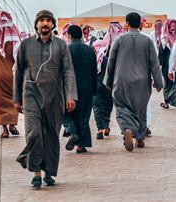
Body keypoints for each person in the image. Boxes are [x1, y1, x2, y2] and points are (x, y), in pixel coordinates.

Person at [13, 10, 77, 189]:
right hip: (31, 94)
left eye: (48, 21)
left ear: (53, 25)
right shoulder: (25, 45)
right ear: (36, 25)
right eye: (42, 21)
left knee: (51, 135)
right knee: (34, 133)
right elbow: (18, 72)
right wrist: (17, 98)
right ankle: (36, 172)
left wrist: (70, 95)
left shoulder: (60, 45)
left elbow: (68, 71)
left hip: (54, 96)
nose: (45, 24)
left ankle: (48, 171)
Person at [104, 12, 163, 151]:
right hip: (142, 81)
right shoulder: (147, 40)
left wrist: (108, 81)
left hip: (122, 80)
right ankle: (140, 139)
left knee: (122, 107)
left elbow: (111, 62)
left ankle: (127, 129)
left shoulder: (119, 40)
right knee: (141, 110)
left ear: (127, 24)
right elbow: (154, 63)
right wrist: (159, 83)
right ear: (140, 24)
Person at [65, 25, 97, 153]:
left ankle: (72, 131)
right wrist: (94, 89)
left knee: (67, 114)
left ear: (69, 36)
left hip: (69, 90)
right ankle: (81, 145)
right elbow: (94, 71)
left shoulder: (66, 50)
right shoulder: (90, 50)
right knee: (83, 117)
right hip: (87, 88)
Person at [92, 21, 124, 139]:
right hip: (111, 83)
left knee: (97, 105)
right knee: (108, 104)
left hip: (98, 81)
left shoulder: (99, 46)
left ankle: (101, 128)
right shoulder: (121, 48)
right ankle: (104, 126)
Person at [159, 19, 176, 110]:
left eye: (175, 26)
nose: (173, 29)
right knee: (167, 82)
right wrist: (159, 63)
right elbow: (161, 53)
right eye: (172, 26)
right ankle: (166, 101)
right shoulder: (164, 39)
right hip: (167, 64)